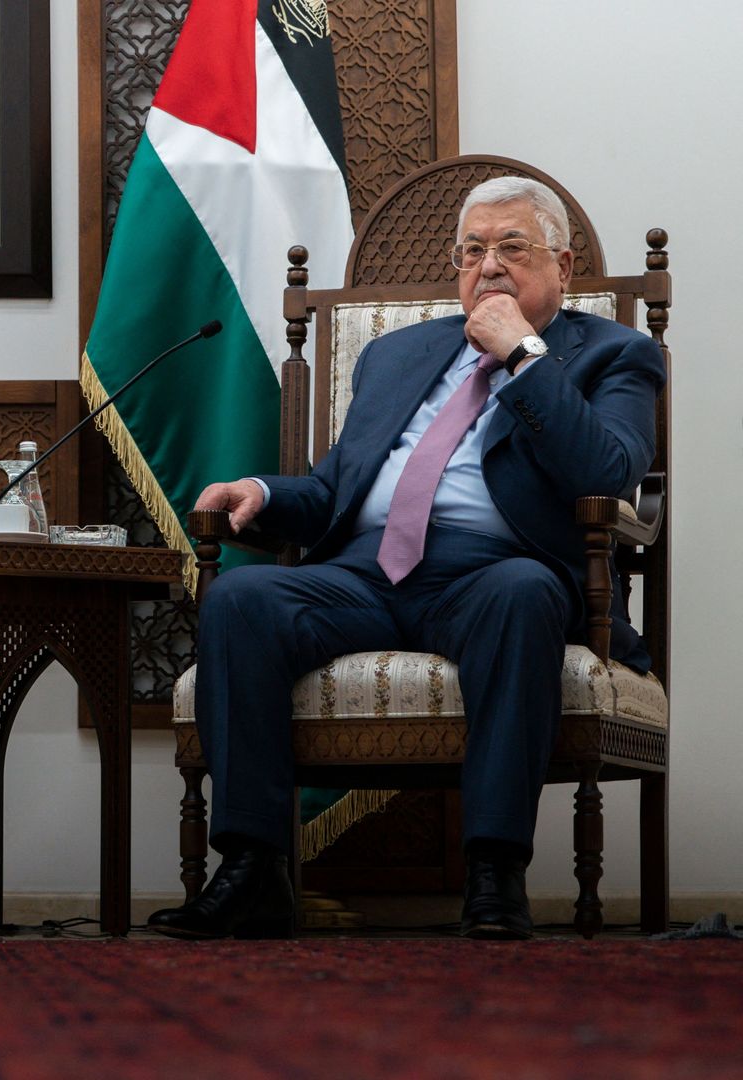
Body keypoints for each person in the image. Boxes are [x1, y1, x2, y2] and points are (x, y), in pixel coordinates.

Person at [149, 176, 664, 941]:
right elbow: (335, 489)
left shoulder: (616, 354)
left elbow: (603, 472)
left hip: (494, 572)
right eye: (472, 250)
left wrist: (523, 356)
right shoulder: (396, 354)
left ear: (562, 266)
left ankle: (494, 875)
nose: (488, 266)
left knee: (522, 593)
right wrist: (262, 492)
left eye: (511, 248)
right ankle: (255, 868)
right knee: (241, 601)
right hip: (367, 573)